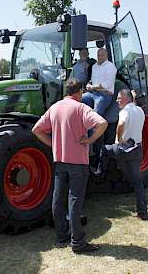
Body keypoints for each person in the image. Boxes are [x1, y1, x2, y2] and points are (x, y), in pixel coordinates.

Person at [32, 78, 108, 253]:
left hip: (59, 161)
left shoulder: (55, 107)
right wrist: (90, 139)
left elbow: (36, 129)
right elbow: (102, 123)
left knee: (58, 199)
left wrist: (52, 144)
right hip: (78, 162)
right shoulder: (81, 108)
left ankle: (61, 236)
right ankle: (78, 242)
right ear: (80, 91)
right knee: (74, 200)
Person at [93, 89, 148, 220]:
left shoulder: (124, 111)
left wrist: (119, 138)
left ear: (126, 99)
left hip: (123, 149)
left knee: (104, 149)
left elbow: (121, 124)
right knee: (137, 182)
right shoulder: (140, 110)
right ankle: (143, 212)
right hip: (136, 149)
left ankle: (99, 173)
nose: (117, 100)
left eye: (119, 98)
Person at [82, 48, 117, 116]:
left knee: (96, 113)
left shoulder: (111, 67)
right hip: (93, 93)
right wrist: (88, 84)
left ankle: (96, 125)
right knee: (79, 99)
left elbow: (108, 84)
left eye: (102, 55)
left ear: (106, 56)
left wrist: (93, 87)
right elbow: (92, 79)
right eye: (98, 55)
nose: (100, 57)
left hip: (104, 95)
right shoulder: (94, 66)